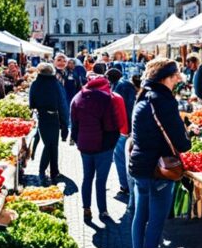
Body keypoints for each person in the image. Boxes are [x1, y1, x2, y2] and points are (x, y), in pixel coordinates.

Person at [129, 59, 191, 248]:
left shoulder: (143, 96)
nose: (177, 80)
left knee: (140, 212)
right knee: (157, 214)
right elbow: (178, 139)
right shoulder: (164, 100)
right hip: (158, 167)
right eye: (176, 76)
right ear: (167, 77)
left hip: (139, 164)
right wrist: (187, 141)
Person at [71, 73, 121, 221]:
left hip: (85, 146)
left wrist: (79, 142)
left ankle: (86, 208)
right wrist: (111, 143)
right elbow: (111, 125)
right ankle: (103, 210)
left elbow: (74, 125)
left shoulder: (77, 98)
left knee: (87, 177)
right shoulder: (105, 99)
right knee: (101, 180)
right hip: (103, 147)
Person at [29, 63, 69, 183]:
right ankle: (43, 172)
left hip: (42, 116)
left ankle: (53, 171)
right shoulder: (56, 84)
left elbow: (32, 103)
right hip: (53, 117)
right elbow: (62, 105)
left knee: (49, 144)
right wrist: (64, 124)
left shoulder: (35, 84)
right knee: (52, 145)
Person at [109, 67, 137, 199]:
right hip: (124, 129)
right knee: (122, 158)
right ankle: (126, 186)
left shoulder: (119, 86)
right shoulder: (125, 86)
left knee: (120, 158)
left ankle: (125, 186)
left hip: (121, 129)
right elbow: (129, 109)